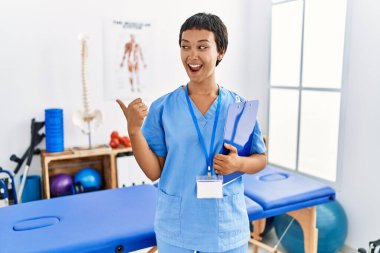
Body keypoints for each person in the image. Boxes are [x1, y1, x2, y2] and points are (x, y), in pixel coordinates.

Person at [117, 13, 267, 253]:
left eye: (202, 46)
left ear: (221, 51)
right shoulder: (163, 107)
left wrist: (238, 163)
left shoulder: (239, 108)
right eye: (185, 46)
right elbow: (154, 171)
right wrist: (134, 131)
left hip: (226, 229)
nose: (192, 55)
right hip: (177, 229)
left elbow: (260, 159)